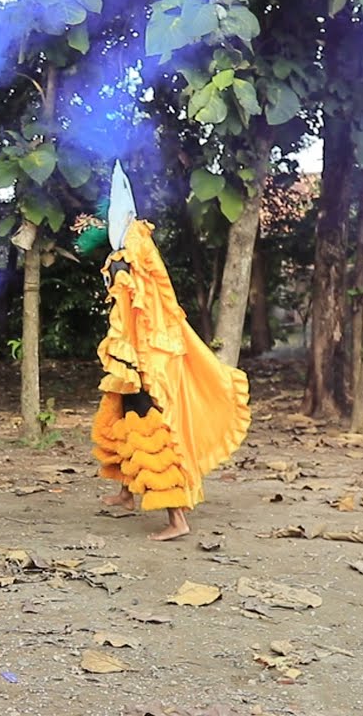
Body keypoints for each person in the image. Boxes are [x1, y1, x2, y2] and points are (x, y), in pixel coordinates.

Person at [74, 162, 250, 541]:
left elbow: (135, 314)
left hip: (142, 363)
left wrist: (132, 361)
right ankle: (125, 493)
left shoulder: (127, 259)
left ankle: (177, 519)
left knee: (150, 430)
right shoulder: (134, 255)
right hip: (135, 359)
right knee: (121, 419)